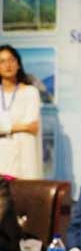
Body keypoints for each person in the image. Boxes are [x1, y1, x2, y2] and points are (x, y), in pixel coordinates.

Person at [0, 44, 42, 179]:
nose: (8, 65)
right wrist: (19, 127)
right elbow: (25, 126)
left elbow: (31, 126)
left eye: (11, 60)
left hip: (24, 157)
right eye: (2, 61)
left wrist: (4, 128)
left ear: (18, 64)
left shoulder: (30, 92)